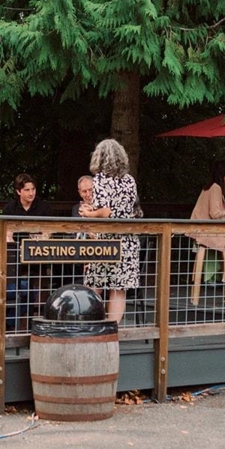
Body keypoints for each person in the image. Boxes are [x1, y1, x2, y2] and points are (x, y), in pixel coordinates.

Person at [79, 138, 140, 322]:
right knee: (118, 288)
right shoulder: (130, 181)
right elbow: (123, 210)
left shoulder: (100, 180)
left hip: (105, 240)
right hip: (128, 239)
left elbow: (106, 211)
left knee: (94, 283)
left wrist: (88, 214)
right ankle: (112, 331)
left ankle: (89, 326)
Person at [190, 161, 225, 292]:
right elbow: (215, 214)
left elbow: (218, 215)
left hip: (201, 229)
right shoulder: (216, 188)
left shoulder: (210, 187)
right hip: (207, 231)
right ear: (222, 173)